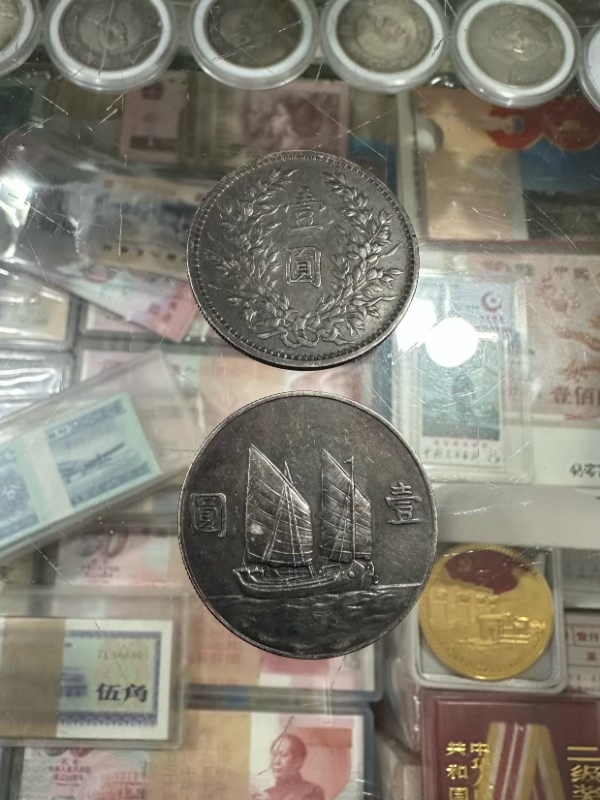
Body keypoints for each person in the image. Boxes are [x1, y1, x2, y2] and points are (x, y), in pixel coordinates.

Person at [252, 733, 325, 800]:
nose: (276, 761)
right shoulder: (268, 793)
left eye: (283, 755)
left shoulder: (312, 792)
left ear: (298, 761)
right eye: (274, 755)